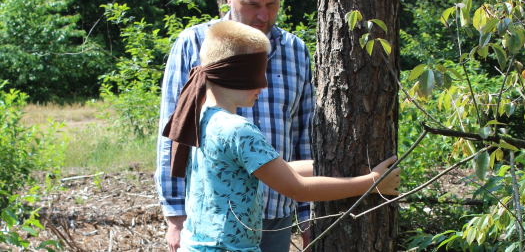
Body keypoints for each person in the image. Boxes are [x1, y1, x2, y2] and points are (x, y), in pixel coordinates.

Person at [162, 20, 402, 252]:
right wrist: (372, 183)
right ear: (236, 73)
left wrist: (331, 166)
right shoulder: (238, 130)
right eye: (258, 73)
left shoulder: (202, 118)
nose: (264, 85)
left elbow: (272, 169)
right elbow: (298, 189)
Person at [156, 0, 315, 252]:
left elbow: (304, 135)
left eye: (272, 5)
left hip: (275, 218)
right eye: (252, 4)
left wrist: (306, 217)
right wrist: (175, 217)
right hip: (214, 229)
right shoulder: (194, 44)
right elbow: (173, 133)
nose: (263, 16)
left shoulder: (296, 51)